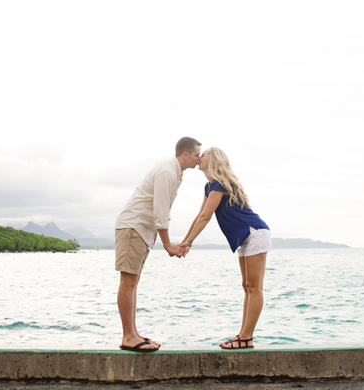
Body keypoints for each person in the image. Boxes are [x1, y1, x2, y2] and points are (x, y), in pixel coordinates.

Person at [115, 136, 202, 352]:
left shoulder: (174, 173)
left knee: (133, 281)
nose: (199, 159)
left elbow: (161, 211)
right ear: (185, 154)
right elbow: (160, 210)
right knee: (128, 281)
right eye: (196, 155)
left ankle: (133, 333)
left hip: (141, 230)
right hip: (133, 226)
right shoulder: (167, 172)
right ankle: (128, 336)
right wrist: (168, 244)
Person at [179, 147, 271, 349]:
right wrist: (184, 241)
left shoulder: (219, 184)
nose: (199, 157)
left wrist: (189, 243)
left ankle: (246, 338)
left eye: (203, 155)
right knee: (247, 286)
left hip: (254, 232)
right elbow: (200, 215)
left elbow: (206, 216)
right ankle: (243, 335)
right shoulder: (209, 186)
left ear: (213, 160)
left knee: (254, 287)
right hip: (245, 237)